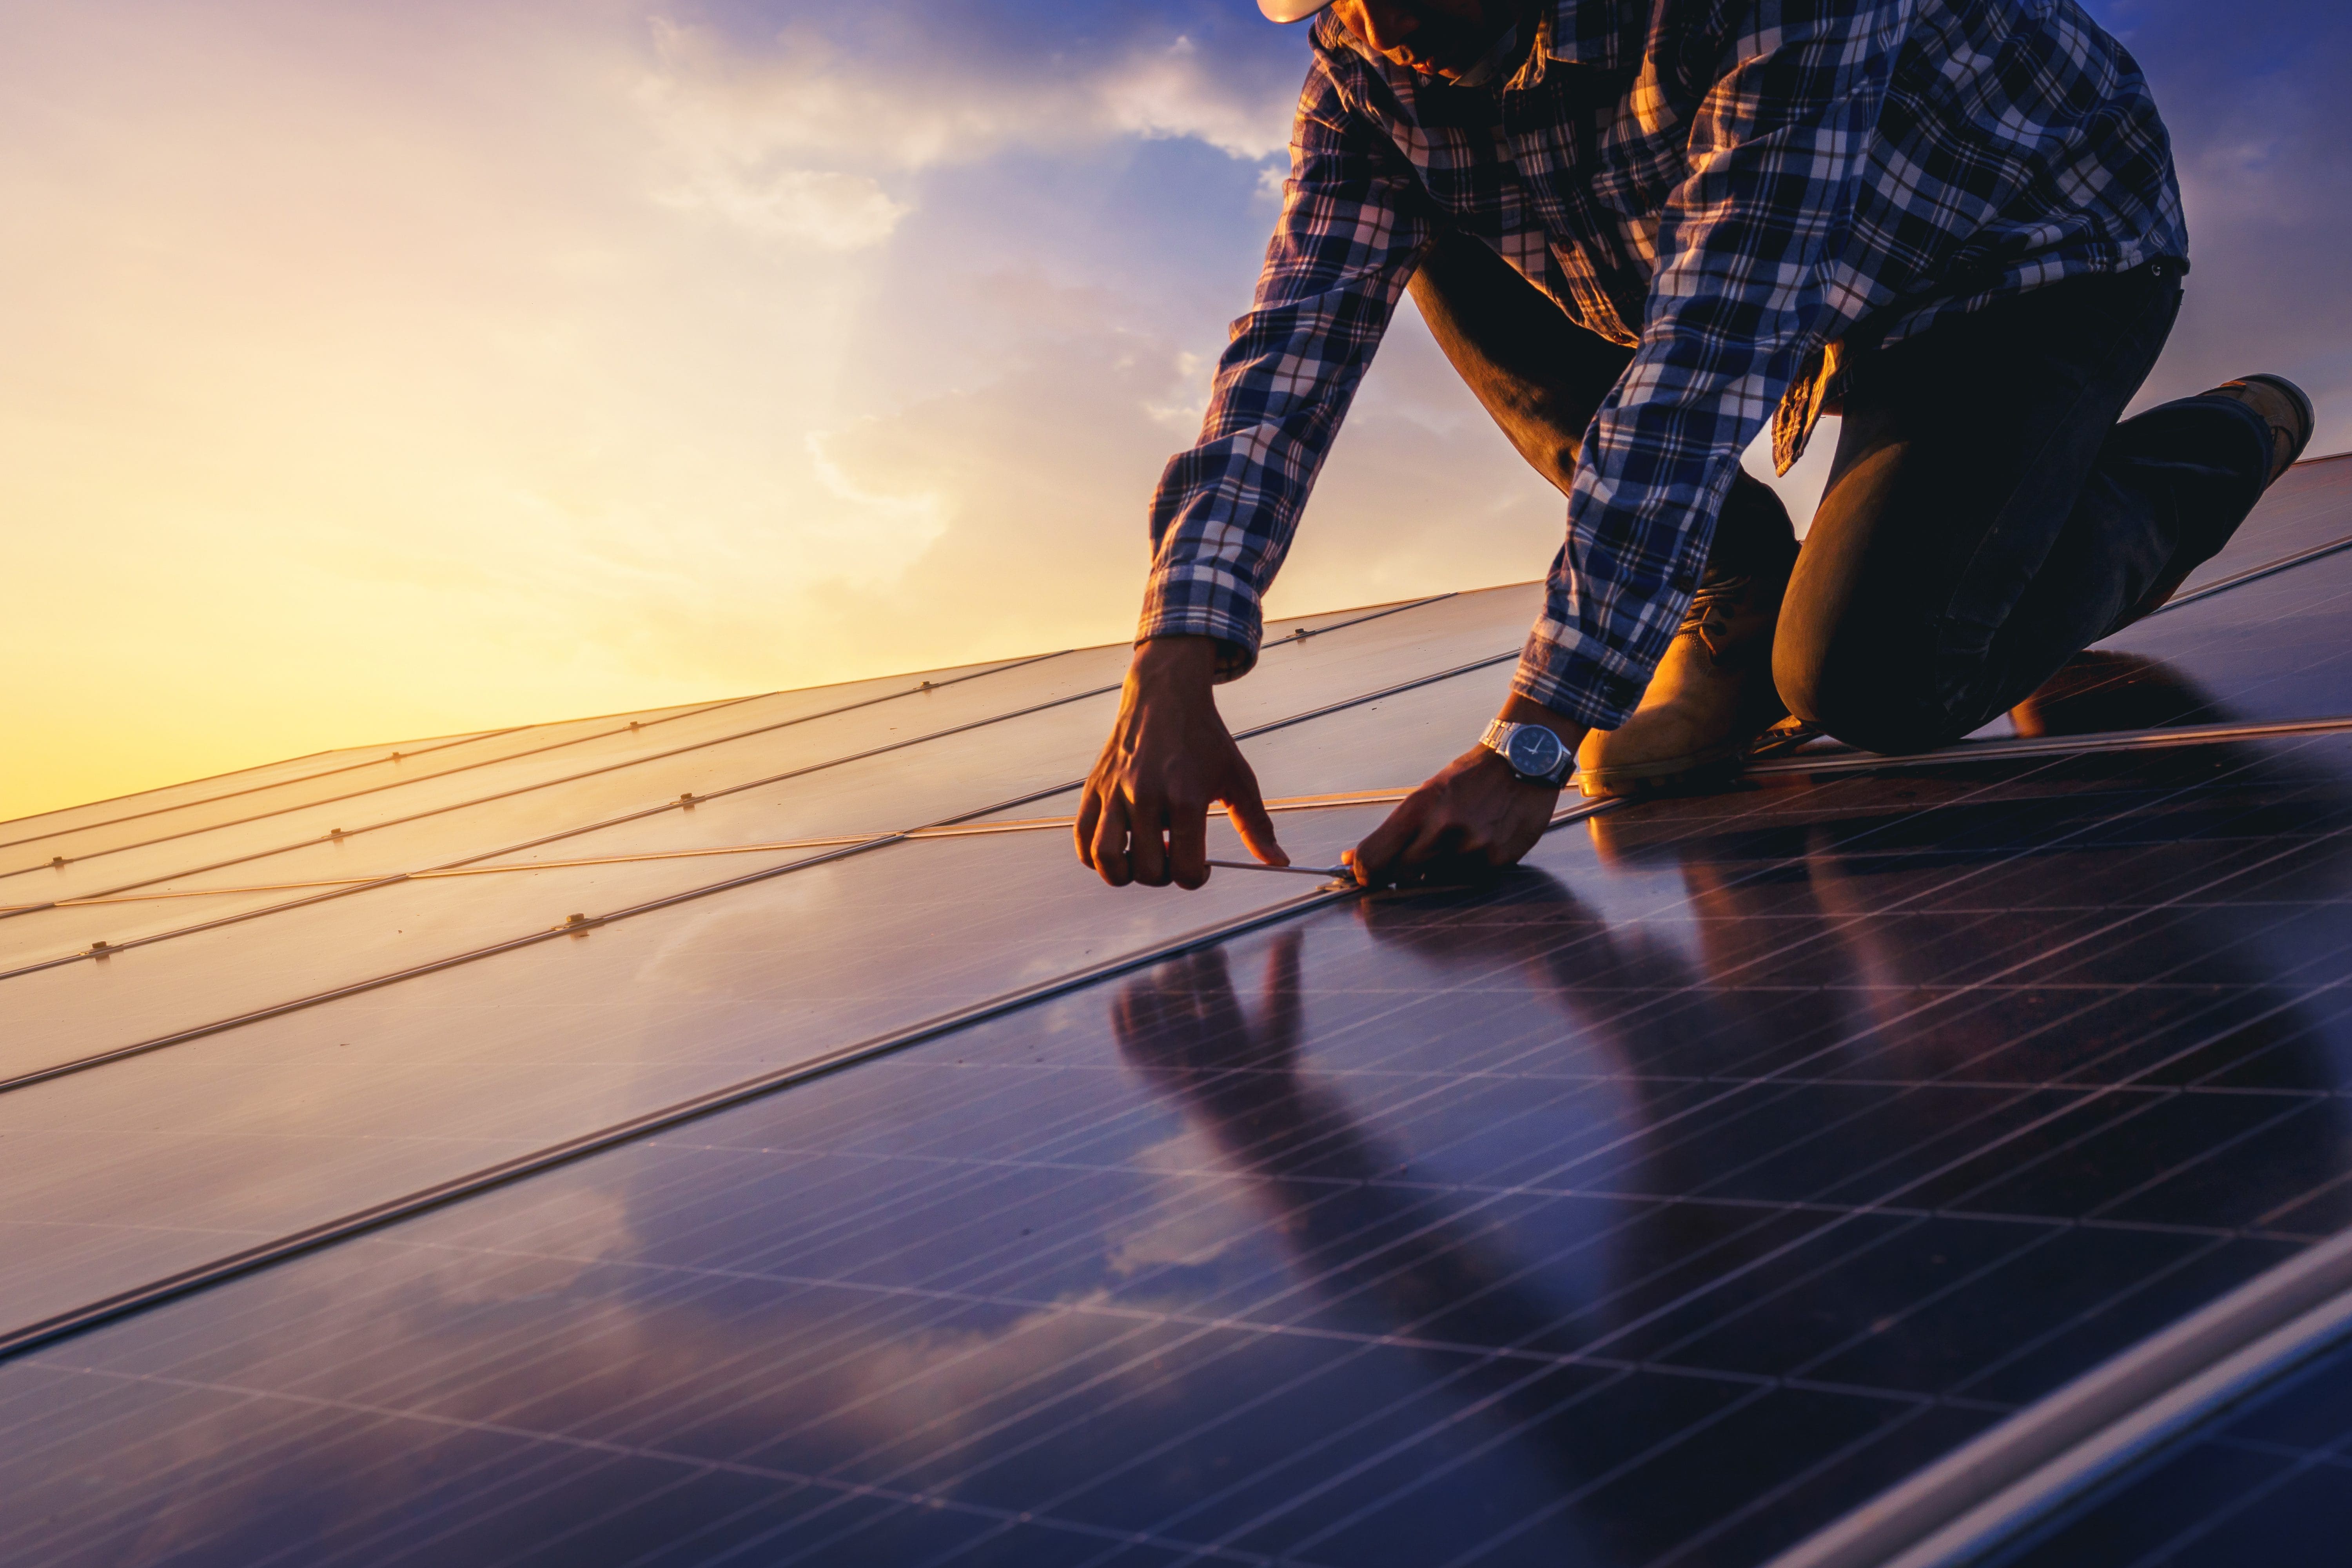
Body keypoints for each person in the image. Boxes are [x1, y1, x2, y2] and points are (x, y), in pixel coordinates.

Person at [1077, 0, 2315, 893]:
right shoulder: (1367, 70)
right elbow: (1291, 351)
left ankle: (2207, 449)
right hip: (1741, 273)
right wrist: (1171, 666)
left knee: (1875, 685)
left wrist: (1537, 736)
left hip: (2015, 258)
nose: (1369, 22)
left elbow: (1709, 353)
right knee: (1421, 235)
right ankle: (1734, 590)